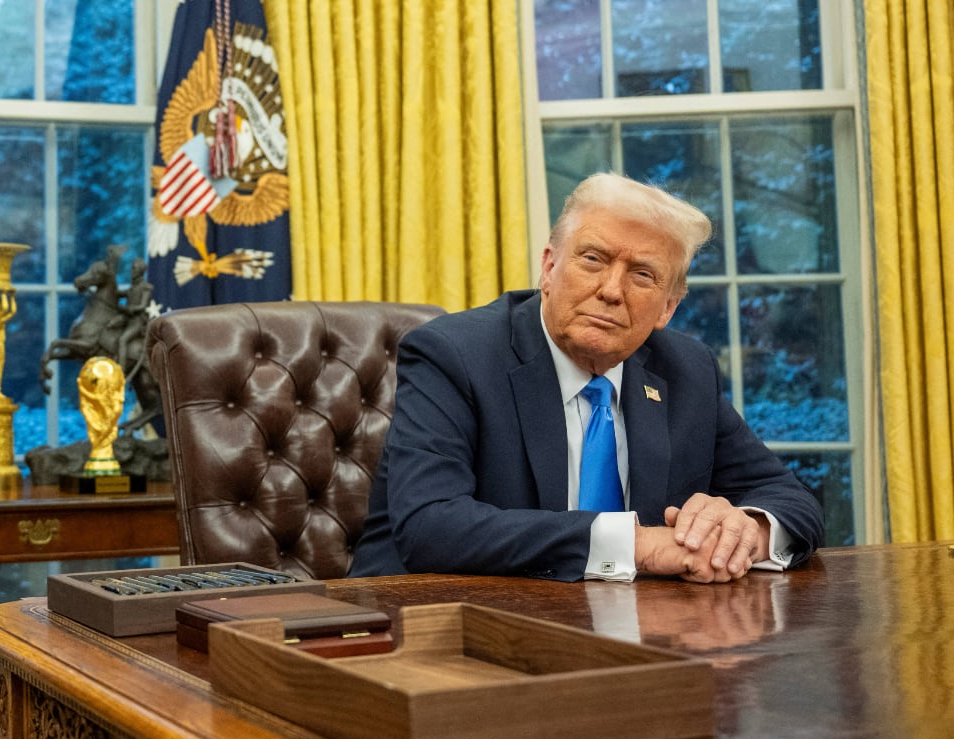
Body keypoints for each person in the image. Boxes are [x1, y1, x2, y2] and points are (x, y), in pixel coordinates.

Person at [352, 173, 823, 583]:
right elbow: (431, 527)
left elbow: (791, 499)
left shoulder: (685, 371)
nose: (611, 291)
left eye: (642, 275)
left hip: (635, 638)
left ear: (667, 308)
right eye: (594, 259)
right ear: (549, 268)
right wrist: (637, 545)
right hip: (432, 634)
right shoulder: (453, 355)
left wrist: (744, 532)